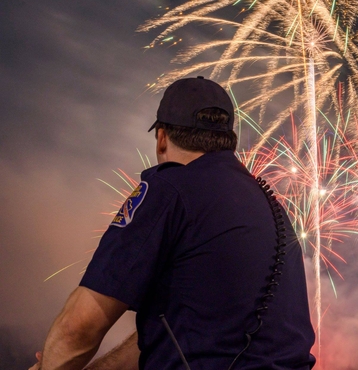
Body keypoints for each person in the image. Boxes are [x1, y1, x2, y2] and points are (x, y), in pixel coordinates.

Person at [30, 77, 316, 370]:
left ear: (163, 137)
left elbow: (78, 327)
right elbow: (174, 340)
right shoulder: (271, 208)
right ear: (227, 139)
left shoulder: (168, 189)